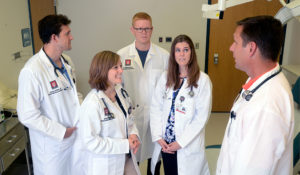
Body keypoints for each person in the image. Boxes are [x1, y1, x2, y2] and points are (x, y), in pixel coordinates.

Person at [216, 16, 294, 175]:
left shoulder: (266, 108)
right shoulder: (259, 79)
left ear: (251, 48)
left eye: (236, 42)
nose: (231, 48)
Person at [17, 14, 80, 175]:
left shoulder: (67, 62)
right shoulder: (32, 71)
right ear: (54, 37)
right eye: (67, 33)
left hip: (74, 140)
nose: (71, 37)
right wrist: (60, 132)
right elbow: (27, 115)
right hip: (52, 149)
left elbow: (72, 95)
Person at [150, 34, 212, 175]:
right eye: (178, 50)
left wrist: (181, 143)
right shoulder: (165, 77)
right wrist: (158, 137)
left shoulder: (203, 80)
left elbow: (201, 118)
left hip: (186, 144)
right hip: (166, 143)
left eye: (186, 50)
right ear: (173, 54)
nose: (182, 54)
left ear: (192, 52)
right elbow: (156, 108)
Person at [117, 12, 169, 174]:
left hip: (156, 116)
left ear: (152, 29)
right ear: (132, 30)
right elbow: (118, 87)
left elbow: (169, 87)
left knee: (155, 156)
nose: (143, 32)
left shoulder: (164, 56)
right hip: (133, 116)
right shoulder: (121, 55)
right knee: (134, 156)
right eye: (139, 29)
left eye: (147, 28)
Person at [78, 51, 141, 175]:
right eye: (116, 67)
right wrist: (124, 145)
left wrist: (134, 134)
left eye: (121, 66)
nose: (121, 71)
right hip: (105, 166)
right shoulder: (92, 103)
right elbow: (90, 142)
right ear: (103, 70)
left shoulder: (120, 92)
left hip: (126, 159)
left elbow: (130, 118)